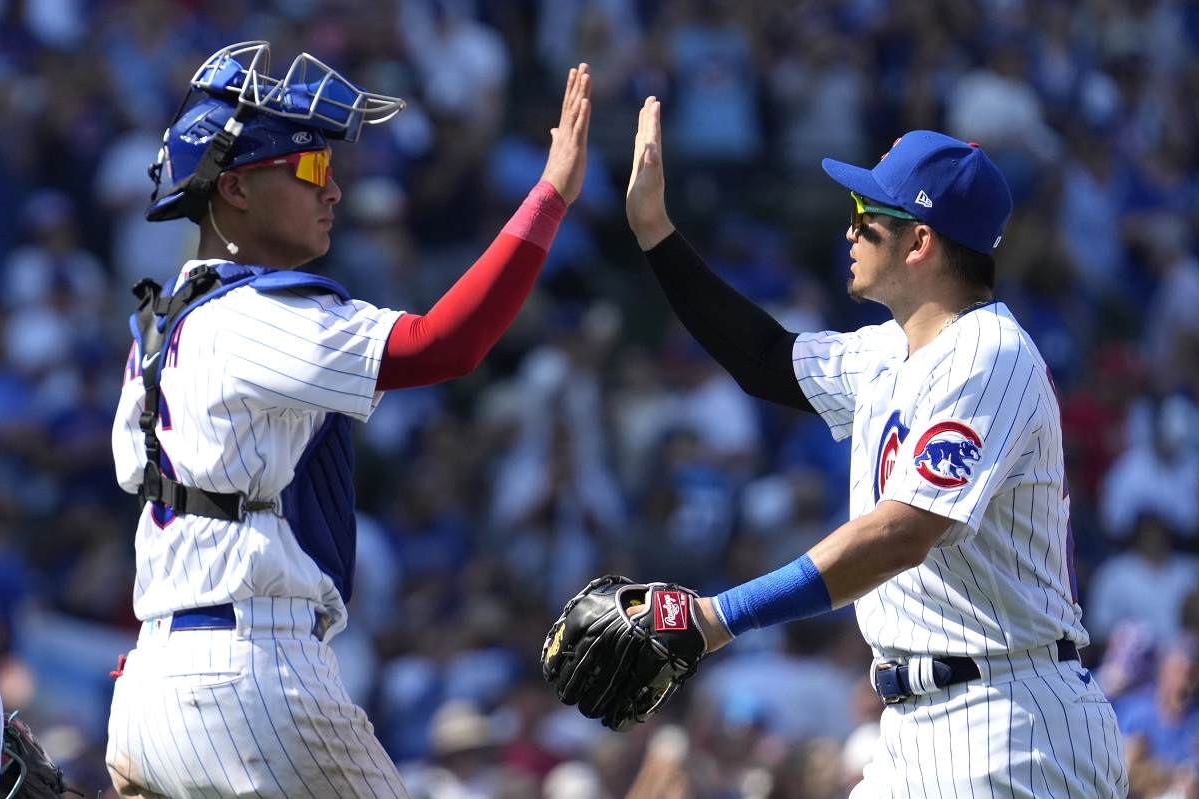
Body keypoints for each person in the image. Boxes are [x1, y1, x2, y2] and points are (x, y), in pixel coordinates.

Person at [106, 41, 590, 799]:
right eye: (308, 168)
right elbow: (443, 345)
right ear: (234, 189)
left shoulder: (160, 325)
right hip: (251, 673)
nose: (331, 189)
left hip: (149, 686)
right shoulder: (255, 311)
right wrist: (550, 196)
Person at [623, 97, 1127, 797]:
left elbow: (899, 533)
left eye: (866, 217)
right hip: (918, 729)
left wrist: (717, 616)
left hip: (1009, 722)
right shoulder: (890, 351)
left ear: (919, 242)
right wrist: (656, 234)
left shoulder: (989, 352)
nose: (849, 232)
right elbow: (765, 358)